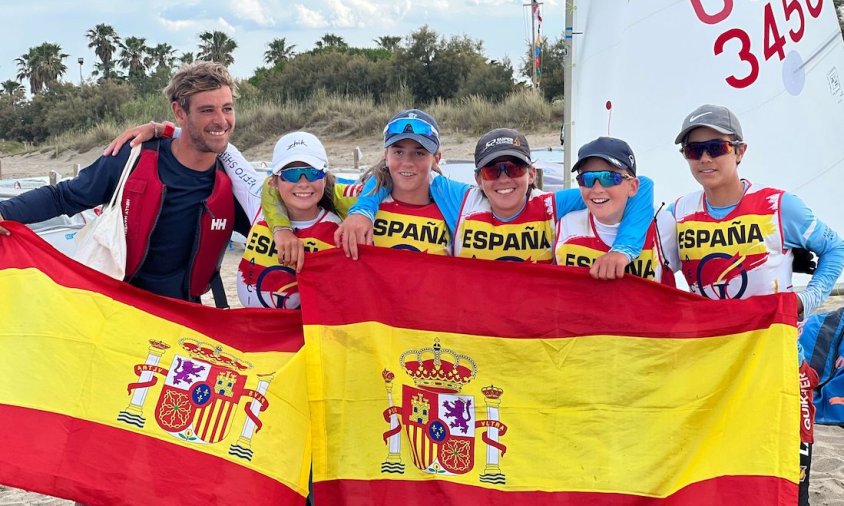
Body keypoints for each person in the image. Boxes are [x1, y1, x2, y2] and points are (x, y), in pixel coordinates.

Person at [670, 104, 844, 506]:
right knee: (719, 475)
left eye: (716, 147)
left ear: (740, 151)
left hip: (777, 363)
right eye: (694, 151)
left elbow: (835, 248)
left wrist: (806, 299)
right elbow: (656, 270)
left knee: (785, 475)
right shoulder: (678, 214)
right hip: (713, 365)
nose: (705, 158)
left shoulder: (779, 206)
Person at [0, 62, 251, 303]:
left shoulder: (234, 183)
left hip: (184, 314)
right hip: (120, 307)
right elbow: (63, 197)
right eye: (207, 110)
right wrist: (4, 212)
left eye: (227, 108)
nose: (221, 120)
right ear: (179, 112)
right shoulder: (133, 159)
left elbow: (265, 230)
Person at [339, 127, 655, 275]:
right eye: (493, 170)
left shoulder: (550, 206)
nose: (504, 179)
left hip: (532, 338)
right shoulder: (462, 200)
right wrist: (363, 209)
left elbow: (641, 187)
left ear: (532, 174)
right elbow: (398, 170)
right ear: (478, 179)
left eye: (514, 168)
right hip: (478, 334)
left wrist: (623, 250)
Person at [263, 109, 452, 267]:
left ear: (436, 159)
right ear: (387, 155)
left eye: (419, 153)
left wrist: (364, 209)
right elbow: (271, 186)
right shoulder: (357, 196)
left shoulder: (453, 201)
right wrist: (281, 229)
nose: (407, 163)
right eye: (399, 152)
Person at [555, 137, 679, 285]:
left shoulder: (665, 225)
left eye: (609, 178)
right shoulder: (563, 224)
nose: (597, 189)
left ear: (633, 187)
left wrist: (624, 248)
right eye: (587, 179)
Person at [237, 131, 341, 309]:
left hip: (306, 334)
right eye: (291, 174)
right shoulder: (257, 207)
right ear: (274, 181)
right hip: (255, 331)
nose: (303, 182)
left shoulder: (339, 230)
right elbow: (225, 152)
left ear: (324, 177)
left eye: (312, 172)